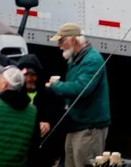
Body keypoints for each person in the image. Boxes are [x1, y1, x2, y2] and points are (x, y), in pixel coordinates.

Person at [47, 24, 110, 167]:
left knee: (83, 163)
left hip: (89, 126)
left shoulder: (92, 60)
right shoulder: (76, 58)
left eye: (61, 41)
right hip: (76, 124)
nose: (59, 46)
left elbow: (83, 88)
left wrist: (55, 87)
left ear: (73, 40)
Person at [16, 54, 67, 167]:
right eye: (25, 75)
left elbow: (61, 120)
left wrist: (49, 124)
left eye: (33, 75)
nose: (29, 79)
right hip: (18, 151)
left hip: (43, 153)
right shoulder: (14, 95)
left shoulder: (50, 95)